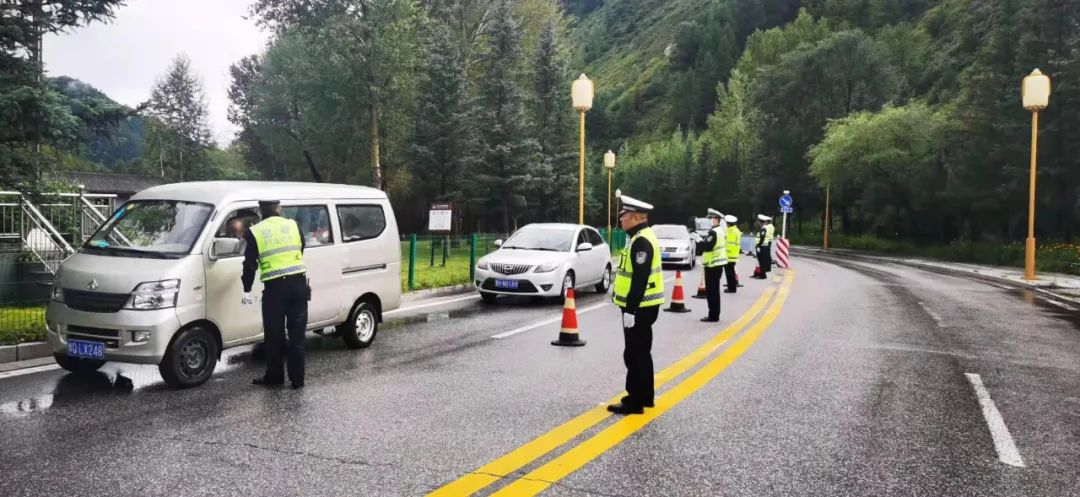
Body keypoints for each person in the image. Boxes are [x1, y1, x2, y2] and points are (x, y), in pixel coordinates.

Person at [241, 200, 309, 389]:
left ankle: (275, 376)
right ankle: (297, 380)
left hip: (274, 289)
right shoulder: (293, 225)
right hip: (298, 285)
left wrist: (247, 288)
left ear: (260, 211)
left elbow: (249, 264)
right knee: (297, 336)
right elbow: (301, 247)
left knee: (274, 336)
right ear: (279, 209)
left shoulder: (255, 232)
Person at [608, 195, 665, 416]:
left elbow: (640, 278)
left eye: (624, 216)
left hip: (639, 307)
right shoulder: (639, 237)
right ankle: (646, 396)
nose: (620, 220)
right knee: (642, 352)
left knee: (634, 354)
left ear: (635, 217)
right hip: (644, 306)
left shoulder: (641, 241)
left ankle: (634, 401)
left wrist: (631, 310)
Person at [699, 209, 727, 322]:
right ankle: (715, 314)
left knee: (712, 292)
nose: (710, 221)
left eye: (711, 219)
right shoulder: (720, 231)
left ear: (716, 219)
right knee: (714, 290)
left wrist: (700, 241)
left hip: (713, 265)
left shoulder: (714, 232)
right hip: (717, 264)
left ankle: (713, 315)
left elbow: (708, 246)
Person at [723, 214, 742, 293]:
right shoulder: (736, 230)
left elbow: (728, 244)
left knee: (729, 273)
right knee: (731, 272)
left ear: (728, 223)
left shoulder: (730, 231)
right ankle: (732, 287)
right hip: (734, 255)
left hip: (729, 255)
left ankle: (731, 288)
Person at [753, 214, 775, 279]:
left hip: (763, 246)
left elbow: (762, 238)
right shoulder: (765, 228)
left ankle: (763, 275)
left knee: (762, 261)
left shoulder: (764, 228)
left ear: (762, 222)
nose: (759, 223)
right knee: (761, 261)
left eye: (759, 222)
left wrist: (759, 245)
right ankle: (761, 274)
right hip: (764, 245)